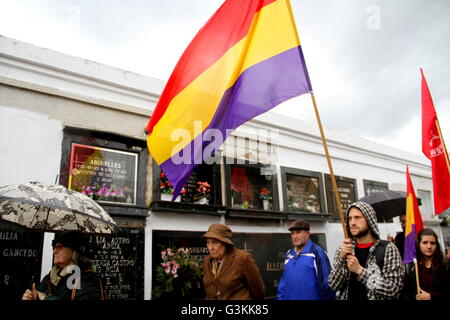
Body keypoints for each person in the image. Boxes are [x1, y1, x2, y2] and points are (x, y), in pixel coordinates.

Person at [328, 201, 404, 300]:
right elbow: (333, 285)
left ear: (369, 220)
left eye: (357, 217)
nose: (353, 222)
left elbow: (393, 289)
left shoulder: (388, 249)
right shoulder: (344, 249)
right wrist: (342, 260)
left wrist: (360, 271)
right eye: (350, 218)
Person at [22, 230, 103, 300]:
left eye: (59, 247)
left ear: (74, 251)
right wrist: (33, 297)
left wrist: (46, 298)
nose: (54, 251)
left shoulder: (88, 278)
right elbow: (40, 294)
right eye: (54, 247)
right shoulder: (50, 277)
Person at [202, 223, 265, 300]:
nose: (210, 247)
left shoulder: (242, 259)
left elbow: (258, 290)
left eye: (215, 242)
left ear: (225, 243)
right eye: (208, 242)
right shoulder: (207, 261)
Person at [277, 220, 335, 300]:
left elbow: (327, 286)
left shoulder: (317, 253)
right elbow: (283, 284)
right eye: (292, 233)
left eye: (298, 232)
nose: (294, 236)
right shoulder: (289, 254)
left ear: (308, 234)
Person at [401, 228, 449, 300]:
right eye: (425, 242)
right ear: (418, 244)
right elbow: (406, 292)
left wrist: (431, 297)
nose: (429, 246)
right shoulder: (412, 267)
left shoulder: (445, 265)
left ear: (436, 245)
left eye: (432, 243)